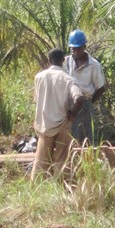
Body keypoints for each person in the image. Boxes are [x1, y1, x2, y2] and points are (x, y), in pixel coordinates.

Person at [32, 48, 86, 180]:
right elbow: (79, 98)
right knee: (61, 159)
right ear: (63, 60)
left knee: (41, 160)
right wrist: (72, 113)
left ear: (49, 60)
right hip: (62, 123)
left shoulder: (39, 77)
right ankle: (60, 186)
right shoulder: (68, 79)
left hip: (44, 124)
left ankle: (36, 186)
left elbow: (37, 99)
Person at [63, 29, 106, 143]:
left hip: (85, 103)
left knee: (86, 138)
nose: (75, 52)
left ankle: (87, 159)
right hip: (68, 103)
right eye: (73, 49)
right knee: (69, 137)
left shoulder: (94, 65)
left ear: (84, 46)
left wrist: (89, 102)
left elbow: (100, 88)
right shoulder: (66, 61)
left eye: (78, 49)